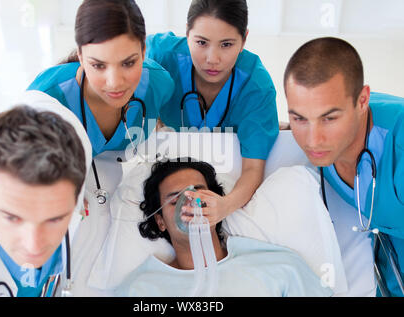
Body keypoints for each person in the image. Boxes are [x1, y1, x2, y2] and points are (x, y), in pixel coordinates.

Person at [284, 37, 404, 296]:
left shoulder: (398, 142)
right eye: (299, 118)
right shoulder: (322, 149)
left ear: (362, 101)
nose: (313, 140)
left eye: (329, 118)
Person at [145, 0, 279, 226]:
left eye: (226, 44)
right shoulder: (160, 55)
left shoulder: (256, 87)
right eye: (201, 42)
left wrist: (225, 206)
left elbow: (253, 168)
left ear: (244, 39)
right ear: (187, 33)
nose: (212, 59)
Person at [114, 159, 332, 297]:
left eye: (199, 194)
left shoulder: (280, 268)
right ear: (160, 221)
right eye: (175, 200)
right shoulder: (138, 289)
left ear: (217, 204)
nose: (190, 204)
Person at [0, 91, 92, 297]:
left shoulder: (78, 157)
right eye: (11, 217)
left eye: (55, 218)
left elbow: (38, 101)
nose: (34, 245)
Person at [28, 0, 174, 157]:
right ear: (81, 56)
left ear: (143, 51)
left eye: (128, 63)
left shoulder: (158, 83)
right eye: (98, 65)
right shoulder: (46, 100)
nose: (115, 82)